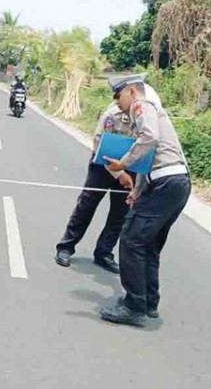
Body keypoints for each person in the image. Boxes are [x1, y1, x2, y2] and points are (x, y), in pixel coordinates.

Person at [100, 77, 191, 327]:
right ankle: (148, 302)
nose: (117, 104)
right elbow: (148, 157)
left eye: (119, 97)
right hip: (173, 183)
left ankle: (134, 306)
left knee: (131, 240)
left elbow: (148, 139)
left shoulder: (142, 105)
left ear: (132, 91)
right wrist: (138, 191)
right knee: (148, 245)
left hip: (165, 184)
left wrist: (122, 164)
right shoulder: (146, 111)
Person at [54, 76, 141, 273]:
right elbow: (100, 146)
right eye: (118, 99)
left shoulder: (143, 115)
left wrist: (133, 177)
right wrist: (119, 174)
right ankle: (66, 247)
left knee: (120, 213)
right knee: (86, 205)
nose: (120, 103)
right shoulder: (111, 115)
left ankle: (104, 253)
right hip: (103, 166)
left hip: (130, 168)